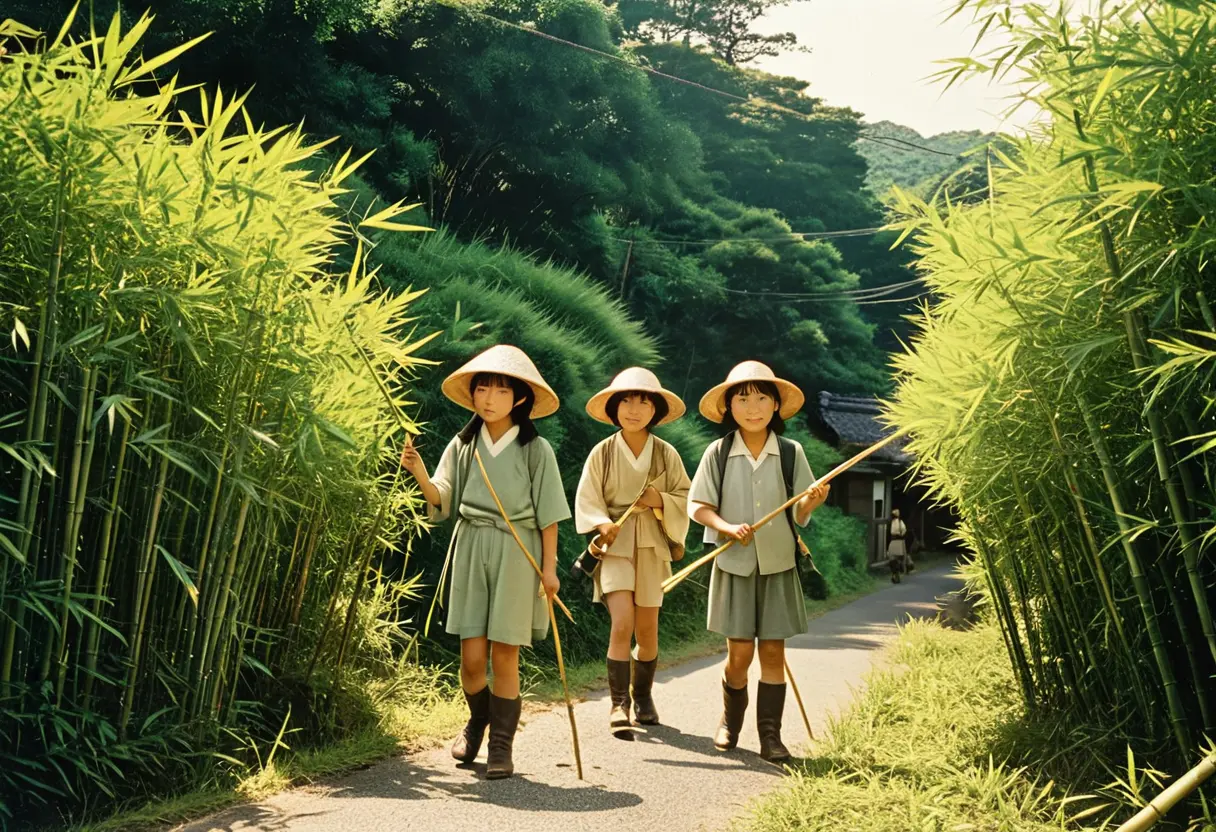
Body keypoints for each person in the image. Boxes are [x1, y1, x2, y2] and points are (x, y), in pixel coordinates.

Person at [399, 345, 569, 780]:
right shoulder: (463, 444)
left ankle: (501, 747)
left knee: (505, 655)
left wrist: (549, 570)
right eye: (483, 388)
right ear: (472, 395)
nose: (490, 397)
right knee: (472, 659)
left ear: (520, 398)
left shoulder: (537, 449)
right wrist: (418, 472)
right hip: (471, 546)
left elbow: (550, 514)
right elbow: (441, 498)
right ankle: (478, 719)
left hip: (518, 548)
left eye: (500, 389)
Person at [688, 361, 830, 763]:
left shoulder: (790, 452)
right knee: (739, 655)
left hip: (778, 563)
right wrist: (726, 526)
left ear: (775, 405)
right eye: (743, 399)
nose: (753, 408)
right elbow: (698, 506)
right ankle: (731, 721)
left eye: (762, 398)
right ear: (729, 407)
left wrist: (812, 500)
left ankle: (771, 736)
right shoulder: (718, 452)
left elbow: (799, 510)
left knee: (772, 652)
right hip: (734, 564)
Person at [575, 368, 691, 740]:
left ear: (655, 410)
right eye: (626, 400)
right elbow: (588, 498)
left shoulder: (666, 454)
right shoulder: (603, 452)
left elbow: (685, 497)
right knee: (622, 622)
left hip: (653, 543)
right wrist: (599, 523)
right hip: (615, 544)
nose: (634, 408)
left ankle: (643, 696)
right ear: (614, 406)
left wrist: (659, 500)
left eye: (643, 401)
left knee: (648, 631)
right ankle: (618, 704)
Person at [887, 509, 910, 583]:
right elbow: (904, 530)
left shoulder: (894, 523)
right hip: (898, 541)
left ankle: (895, 574)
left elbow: (889, 533)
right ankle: (897, 573)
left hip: (895, 541)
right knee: (897, 559)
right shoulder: (899, 522)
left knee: (893, 559)